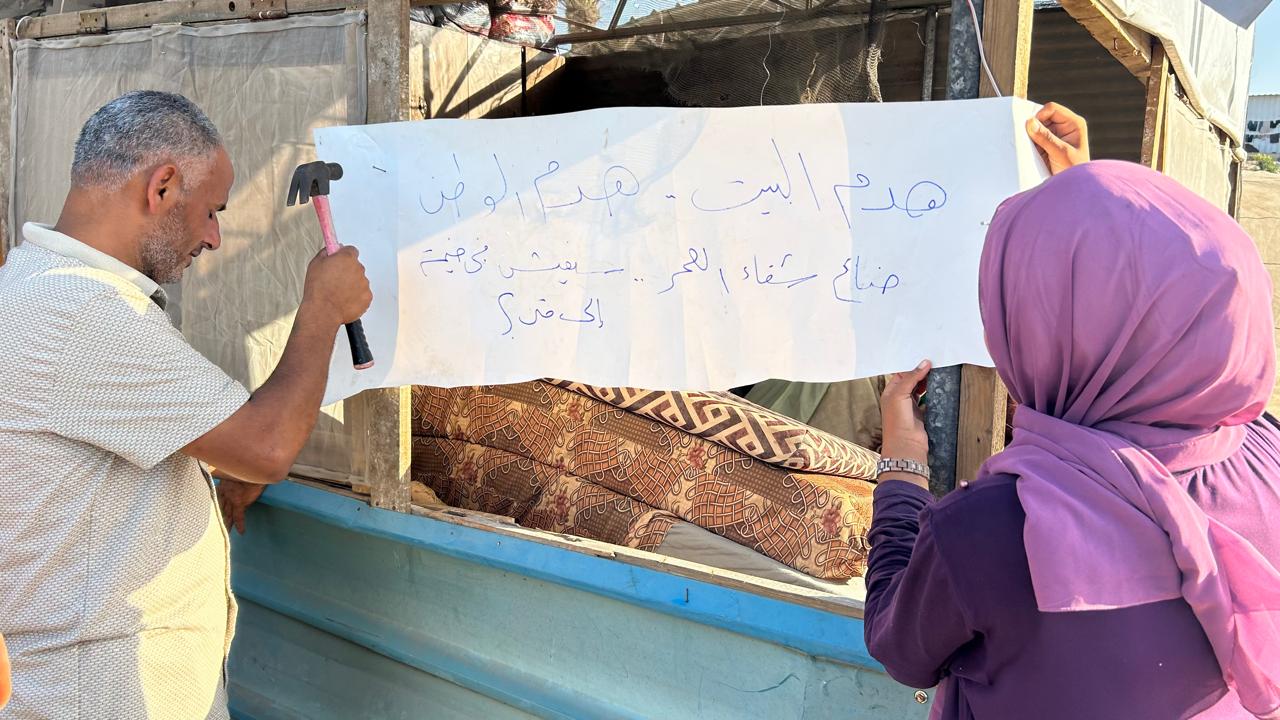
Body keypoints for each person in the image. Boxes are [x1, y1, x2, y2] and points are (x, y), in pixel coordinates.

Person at [865, 104, 1280, 718]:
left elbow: (900, 646)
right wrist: (1080, 192)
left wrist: (902, 466)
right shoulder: (1267, 454)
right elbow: (1139, 299)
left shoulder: (995, 527)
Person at [0, 91, 371, 718]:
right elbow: (266, 446)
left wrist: (198, 481)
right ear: (163, 186)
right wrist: (323, 310)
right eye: (211, 212)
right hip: (100, 695)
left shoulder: (34, 287)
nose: (216, 237)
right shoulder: (81, 311)